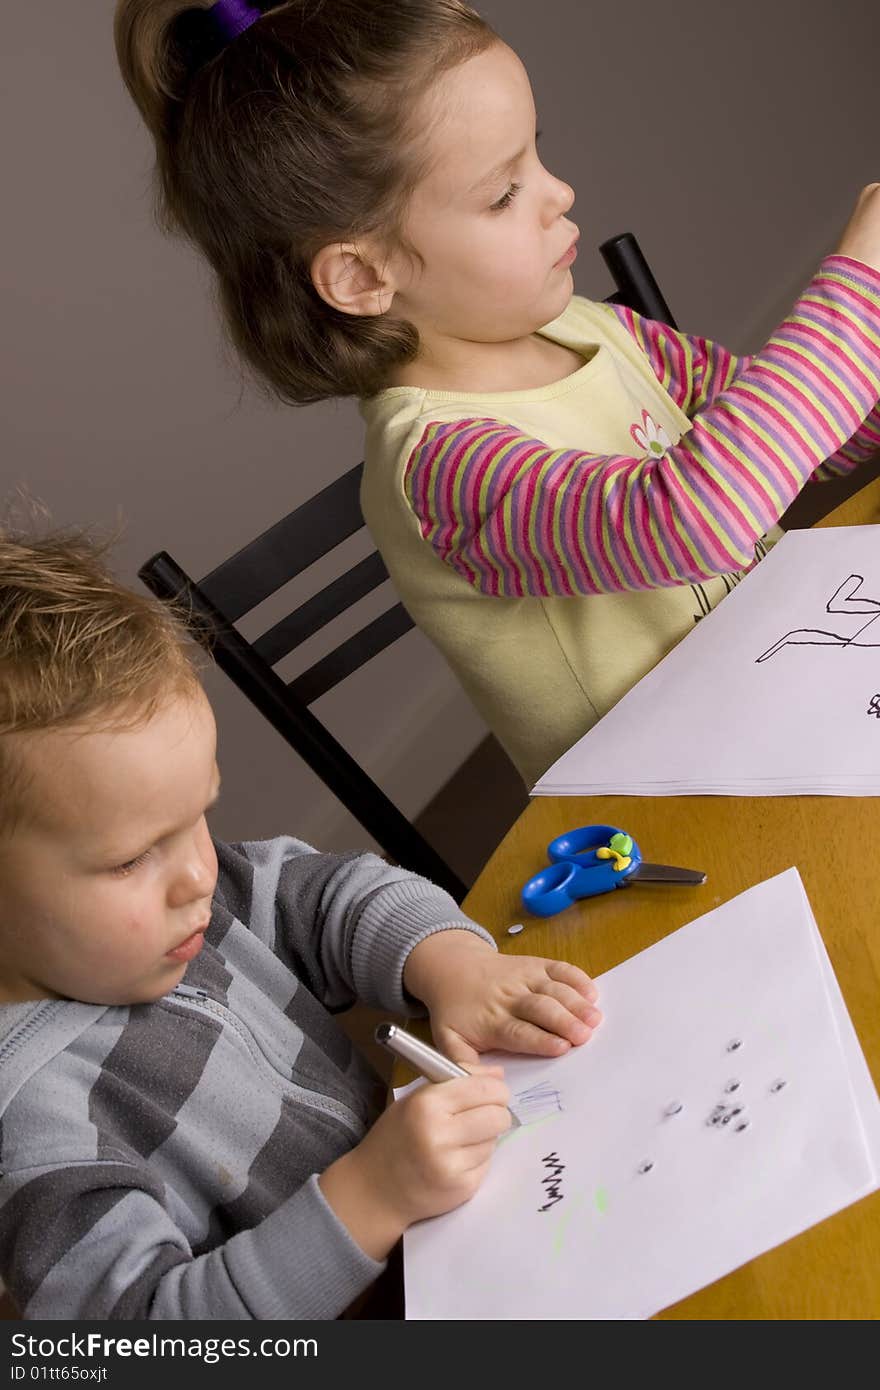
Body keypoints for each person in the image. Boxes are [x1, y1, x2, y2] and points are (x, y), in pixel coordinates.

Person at [113, 1, 880, 785]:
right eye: (503, 193)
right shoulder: (440, 464)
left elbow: (821, 439)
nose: (561, 193)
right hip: (676, 806)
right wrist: (857, 290)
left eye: (536, 158)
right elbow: (691, 522)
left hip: (793, 702)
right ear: (363, 276)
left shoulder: (595, 332)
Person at [0, 528, 602, 1320]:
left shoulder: (179, 910)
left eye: (198, 818)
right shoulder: (33, 1140)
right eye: (130, 859)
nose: (199, 875)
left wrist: (451, 962)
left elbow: (333, 896)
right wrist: (370, 1198)